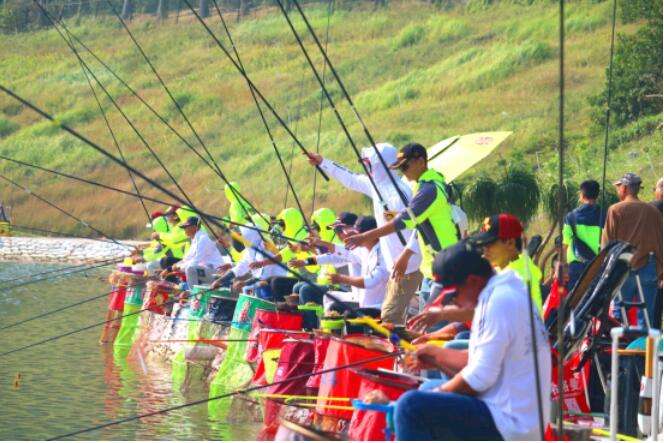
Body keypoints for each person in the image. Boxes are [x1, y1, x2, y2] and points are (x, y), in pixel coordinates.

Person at [394, 243, 551, 440]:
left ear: (473, 281)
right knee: (425, 390)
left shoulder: (498, 302)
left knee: (410, 406)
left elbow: (479, 379)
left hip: (511, 425)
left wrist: (439, 391)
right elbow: (480, 362)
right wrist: (435, 357)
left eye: (453, 296)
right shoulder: (504, 291)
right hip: (516, 414)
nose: (454, 303)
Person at [308, 143, 423, 324]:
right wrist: (323, 162)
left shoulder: (399, 194)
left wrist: (405, 256)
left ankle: (403, 350)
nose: (367, 168)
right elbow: (351, 178)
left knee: (390, 317)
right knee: (391, 316)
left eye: (370, 164)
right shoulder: (376, 185)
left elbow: (418, 229)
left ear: (380, 164)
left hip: (407, 265)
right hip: (395, 265)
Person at [344, 143, 458, 317]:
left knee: (424, 323)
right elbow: (411, 220)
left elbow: (403, 222)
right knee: (421, 322)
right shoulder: (422, 185)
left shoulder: (429, 190)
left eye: (405, 166)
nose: (403, 172)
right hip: (432, 268)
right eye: (399, 168)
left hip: (447, 266)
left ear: (421, 161)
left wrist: (365, 236)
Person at [291, 216, 389, 316]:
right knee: (327, 298)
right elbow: (333, 256)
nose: (340, 234)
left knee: (311, 293)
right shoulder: (362, 250)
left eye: (340, 230)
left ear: (372, 234)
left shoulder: (383, 254)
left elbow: (370, 281)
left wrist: (341, 279)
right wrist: (306, 261)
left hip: (375, 306)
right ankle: (319, 327)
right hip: (358, 298)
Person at [602, 173, 663, 328]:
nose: (618, 191)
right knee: (647, 317)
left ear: (624, 188)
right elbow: (660, 242)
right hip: (649, 267)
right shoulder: (653, 211)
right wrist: (661, 271)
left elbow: (608, 244)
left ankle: (620, 348)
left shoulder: (615, 210)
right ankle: (643, 350)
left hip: (623, 268)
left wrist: (605, 270)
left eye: (618, 188)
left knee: (619, 315)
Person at [562, 180, 604, 290]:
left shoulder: (570, 217)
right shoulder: (605, 215)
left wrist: (562, 268)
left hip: (576, 266)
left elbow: (565, 245)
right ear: (597, 195)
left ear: (581, 195)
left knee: (574, 301)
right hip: (597, 266)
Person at [171, 216, 226, 286]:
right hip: (207, 270)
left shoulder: (203, 239)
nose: (184, 229)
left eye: (186, 227)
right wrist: (175, 266)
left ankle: (193, 294)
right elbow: (187, 258)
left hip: (216, 272)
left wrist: (180, 267)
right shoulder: (195, 240)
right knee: (183, 269)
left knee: (190, 268)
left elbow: (197, 261)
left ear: (194, 227)